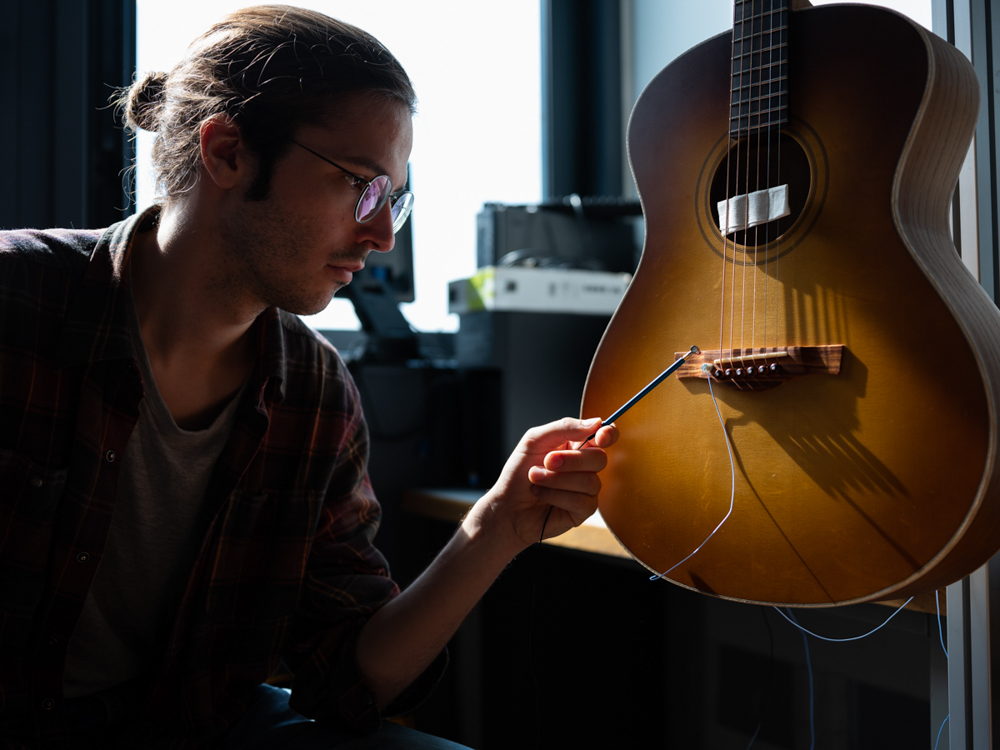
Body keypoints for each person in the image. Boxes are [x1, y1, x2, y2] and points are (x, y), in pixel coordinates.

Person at [0, 5, 618, 748]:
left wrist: (496, 527)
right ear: (226, 151)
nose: (383, 234)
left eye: (394, 198)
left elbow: (350, 680)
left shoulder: (315, 393)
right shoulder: (17, 303)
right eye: (360, 184)